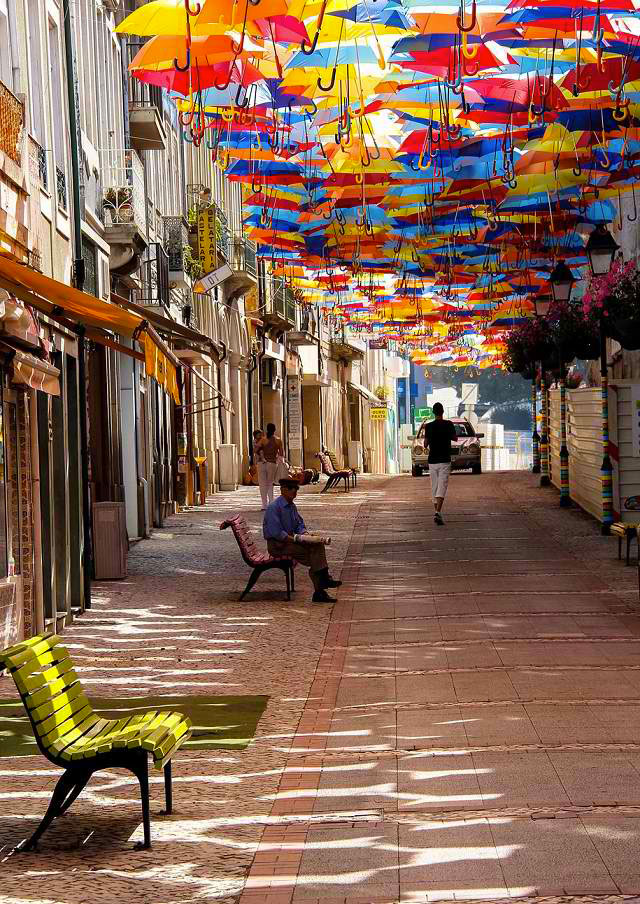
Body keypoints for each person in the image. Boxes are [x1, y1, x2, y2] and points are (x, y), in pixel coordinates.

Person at [263, 478, 342, 603]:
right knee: (315, 558)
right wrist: (296, 539)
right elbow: (277, 533)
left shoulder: (291, 506)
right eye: (290, 488)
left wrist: (305, 535)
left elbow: (299, 524)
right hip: (278, 545)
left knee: (318, 545)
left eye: (296, 488)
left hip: (289, 541)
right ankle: (322, 585)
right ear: (282, 489)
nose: (294, 491)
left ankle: (323, 582)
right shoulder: (274, 507)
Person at [424, 401, 457, 525]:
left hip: (432, 460)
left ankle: (437, 512)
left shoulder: (428, 426)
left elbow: (425, 444)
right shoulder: (448, 424)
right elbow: (455, 438)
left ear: (433, 412)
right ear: (443, 412)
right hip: (444, 460)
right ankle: (438, 512)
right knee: (442, 486)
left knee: (435, 486)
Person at [255, 423, 284, 510]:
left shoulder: (263, 440)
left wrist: (261, 455)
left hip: (262, 464)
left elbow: (256, 450)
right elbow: (281, 453)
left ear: (267, 429)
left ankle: (264, 504)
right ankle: (271, 502)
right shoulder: (278, 440)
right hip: (272, 463)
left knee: (262, 484)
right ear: (274, 430)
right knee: (270, 483)